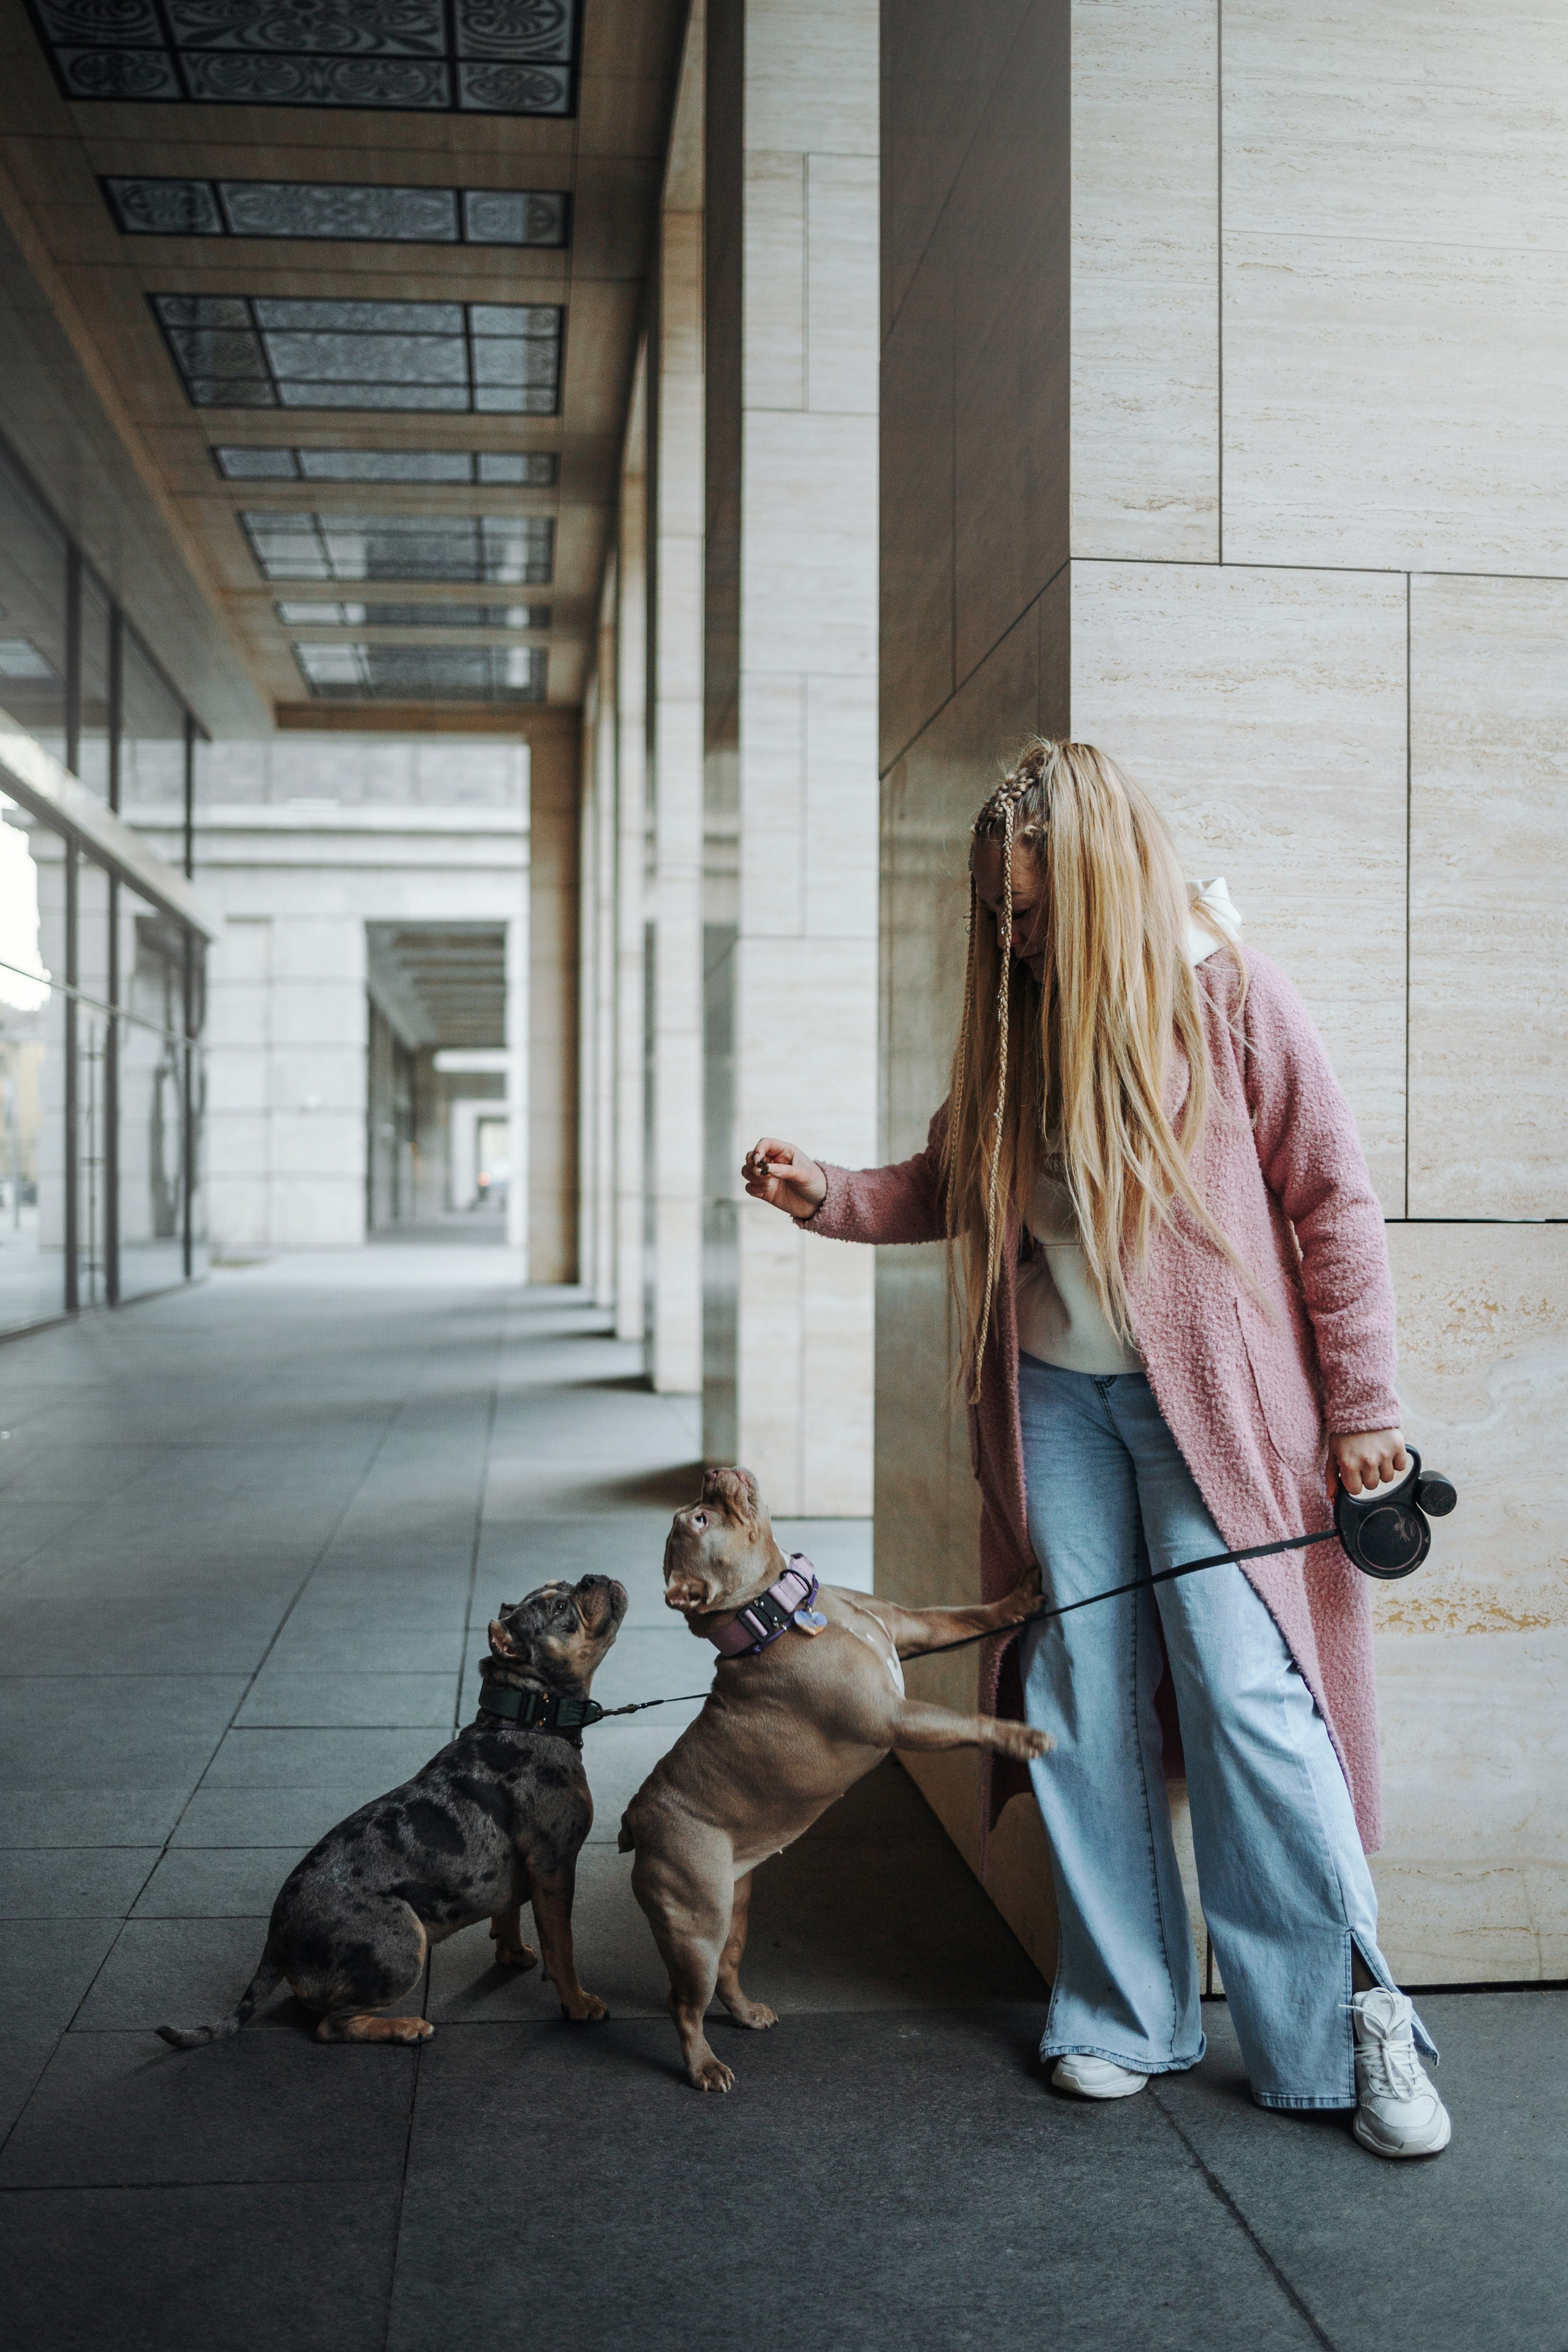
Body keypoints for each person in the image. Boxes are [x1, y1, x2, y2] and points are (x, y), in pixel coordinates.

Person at [742, 738, 1449, 2159]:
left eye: (1036, 904)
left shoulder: (1231, 999)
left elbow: (1334, 1205)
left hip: (1218, 1422)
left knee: (1247, 1690)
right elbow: (950, 1183)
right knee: (1075, 1681)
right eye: (999, 909)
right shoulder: (1015, 1018)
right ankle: (1120, 2009)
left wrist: (1365, 1409)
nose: (1014, 931)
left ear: (1105, 878)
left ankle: (1347, 2023)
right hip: (1058, 1403)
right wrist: (828, 1194)